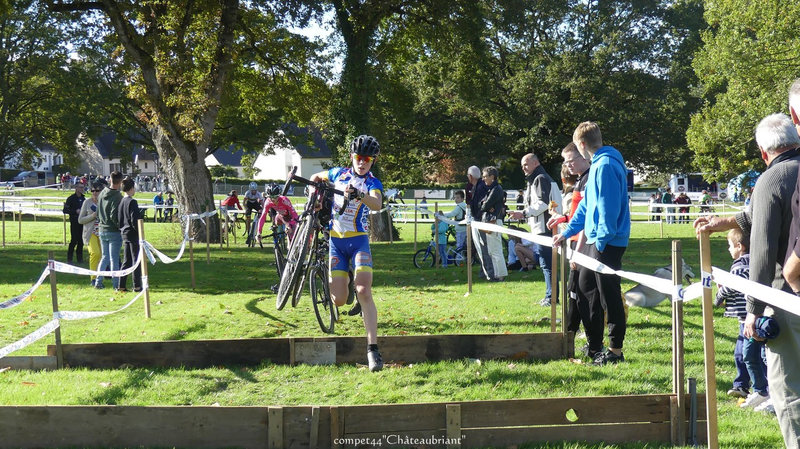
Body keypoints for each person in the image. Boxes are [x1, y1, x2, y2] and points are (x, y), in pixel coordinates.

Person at [696, 111, 800, 446]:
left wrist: (753, 308)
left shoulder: (772, 178)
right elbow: (758, 214)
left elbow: (762, 248)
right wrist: (723, 222)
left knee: (788, 391)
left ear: (763, 151)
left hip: (787, 298)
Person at [554, 122, 631, 365]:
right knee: (586, 289)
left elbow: (609, 209)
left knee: (609, 296)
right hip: (596, 239)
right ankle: (595, 345)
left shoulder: (606, 165)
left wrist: (602, 242)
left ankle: (615, 351)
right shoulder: (598, 164)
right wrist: (567, 232)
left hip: (608, 242)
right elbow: (587, 207)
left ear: (581, 144)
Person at [309, 135, 384, 372]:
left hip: (359, 241)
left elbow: (377, 204)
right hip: (336, 243)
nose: (362, 162)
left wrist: (360, 195)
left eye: (367, 159)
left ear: (372, 162)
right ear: (352, 157)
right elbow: (315, 177)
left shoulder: (372, 182)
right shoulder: (338, 174)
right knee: (339, 300)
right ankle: (347, 279)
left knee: (364, 290)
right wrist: (314, 195)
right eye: (359, 157)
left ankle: (373, 349)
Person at [548, 142, 599, 357]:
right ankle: (569, 338)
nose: (567, 165)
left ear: (583, 157)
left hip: (585, 245)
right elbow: (578, 213)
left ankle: (594, 345)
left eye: (570, 160)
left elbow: (588, 219)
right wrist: (564, 218)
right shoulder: (579, 180)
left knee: (586, 296)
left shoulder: (590, 179)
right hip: (575, 241)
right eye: (565, 162)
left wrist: (578, 251)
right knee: (573, 294)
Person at [508, 153, 563, 305]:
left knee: (547, 264)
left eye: (526, 164)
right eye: (522, 165)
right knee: (546, 263)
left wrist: (523, 213)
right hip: (545, 227)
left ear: (536, 163)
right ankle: (550, 296)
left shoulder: (540, 178)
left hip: (545, 228)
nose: (523, 168)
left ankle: (551, 297)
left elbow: (542, 204)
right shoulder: (539, 178)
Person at [714, 228, 753, 400]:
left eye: (730, 245)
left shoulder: (740, 265)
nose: (729, 249)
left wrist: (719, 295)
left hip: (747, 318)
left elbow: (733, 285)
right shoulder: (751, 262)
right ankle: (744, 385)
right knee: (745, 353)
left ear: (739, 246)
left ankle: (748, 385)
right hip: (747, 317)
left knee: (744, 353)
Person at [474, 166, 507, 282]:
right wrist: (486, 205)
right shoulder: (491, 189)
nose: (483, 179)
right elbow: (481, 204)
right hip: (490, 221)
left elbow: (484, 205)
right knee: (492, 250)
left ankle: (501, 275)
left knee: (496, 250)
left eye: (485, 177)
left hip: (494, 221)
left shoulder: (496, 189)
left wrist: (486, 205)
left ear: (492, 177)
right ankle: (497, 274)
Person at [96, 171, 124, 290]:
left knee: (105, 257)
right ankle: (116, 285)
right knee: (114, 259)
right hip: (113, 231)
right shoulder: (118, 196)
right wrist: (120, 227)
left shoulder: (102, 193)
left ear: (110, 180)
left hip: (102, 228)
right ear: (120, 182)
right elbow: (114, 215)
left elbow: (98, 211)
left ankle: (98, 282)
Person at [118, 178, 143, 292]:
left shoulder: (121, 202)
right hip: (132, 233)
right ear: (131, 188)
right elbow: (134, 220)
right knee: (136, 260)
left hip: (124, 233)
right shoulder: (132, 202)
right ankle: (137, 285)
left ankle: (121, 285)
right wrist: (139, 232)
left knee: (126, 260)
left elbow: (119, 218)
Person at [78, 180, 104, 286]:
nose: (94, 193)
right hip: (90, 233)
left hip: (103, 233)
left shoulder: (104, 202)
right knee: (95, 253)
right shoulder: (87, 202)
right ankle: (93, 278)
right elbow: (80, 220)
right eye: (92, 190)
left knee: (102, 256)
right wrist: (92, 216)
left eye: (97, 191)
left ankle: (99, 278)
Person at [437, 190, 468, 255]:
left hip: (460, 228)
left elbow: (452, 214)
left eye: (458, 198)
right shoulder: (465, 206)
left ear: (462, 199)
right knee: (465, 245)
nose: (456, 199)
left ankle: (459, 259)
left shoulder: (459, 207)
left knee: (459, 245)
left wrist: (442, 215)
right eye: (455, 197)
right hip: (465, 228)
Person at [63, 182, 85, 264]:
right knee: (74, 240)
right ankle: (69, 258)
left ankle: (80, 259)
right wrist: (75, 211)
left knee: (81, 241)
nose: (82, 189)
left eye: (83, 187)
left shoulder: (83, 199)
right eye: (80, 187)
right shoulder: (71, 199)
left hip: (82, 222)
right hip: (74, 222)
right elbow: (65, 210)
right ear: (76, 188)